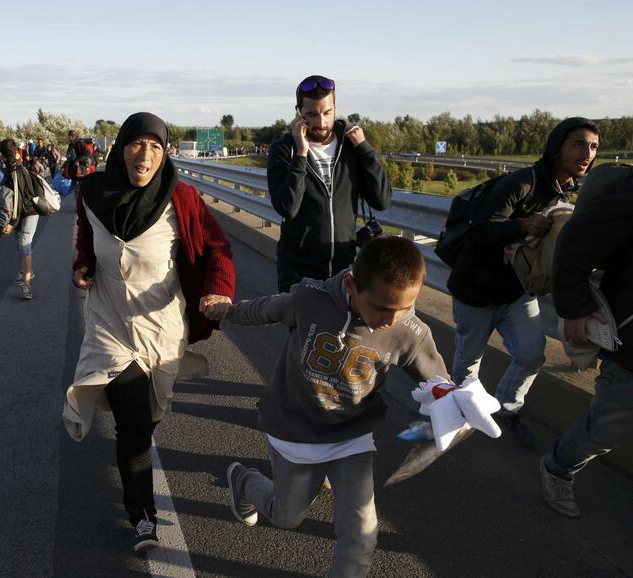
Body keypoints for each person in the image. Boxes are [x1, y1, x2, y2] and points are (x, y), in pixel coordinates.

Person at [206, 236, 447, 578]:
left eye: (404, 308)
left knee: (362, 536)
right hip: (294, 428)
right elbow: (267, 308)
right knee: (286, 516)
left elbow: (437, 379)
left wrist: (452, 399)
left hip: (351, 437)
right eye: (381, 308)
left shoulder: (409, 331)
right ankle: (243, 480)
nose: (391, 320)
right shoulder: (310, 299)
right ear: (351, 285)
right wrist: (228, 309)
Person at [64, 112, 236, 552]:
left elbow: (217, 247)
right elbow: (86, 240)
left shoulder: (182, 198)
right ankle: (142, 515)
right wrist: (82, 267)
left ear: (165, 153)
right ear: (121, 148)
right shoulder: (91, 193)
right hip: (109, 323)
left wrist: (217, 289)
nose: (145, 155)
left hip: (161, 327)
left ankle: (140, 474)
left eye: (156, 147)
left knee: (152, 413)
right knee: (133, 425)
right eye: (137, 144)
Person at [447, 117, 600, 446]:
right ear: (557, 149)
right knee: (468, 361)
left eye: (593, 146)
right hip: (476, 291)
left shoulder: (568, 190)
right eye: (578, 144)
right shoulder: (522, 183)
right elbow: (477, 232)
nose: (587, 152)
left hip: (517, 292)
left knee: (531, 355)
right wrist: (522, 226)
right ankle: (463, 410)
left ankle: (507, 409)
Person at [539, 164, 633, 517]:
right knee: (607, 427)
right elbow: (576, 241)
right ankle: (558, 468)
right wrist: (575, 308)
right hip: (630, 347)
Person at [267, 75, 392, 293]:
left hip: (345, 272)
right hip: (299, 274)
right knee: (307, 329)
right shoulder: (283, 150)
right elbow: (287, 207)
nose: (321, 122)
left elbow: (381, 200)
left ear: (335, 107)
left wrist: (366, 151)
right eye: (312, 115)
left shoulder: (352, 146)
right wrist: (301, 154)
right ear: (299, 113)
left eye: (327, 113)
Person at [0, 138, 42, 300]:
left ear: (2, 154)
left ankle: (27, 285)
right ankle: (25, 272)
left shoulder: (14, 170)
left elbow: (17, 199)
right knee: (20, 244)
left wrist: (12, 223)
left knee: (24, 245)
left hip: (28, 211)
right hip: (22, 211)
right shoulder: (14, 166)